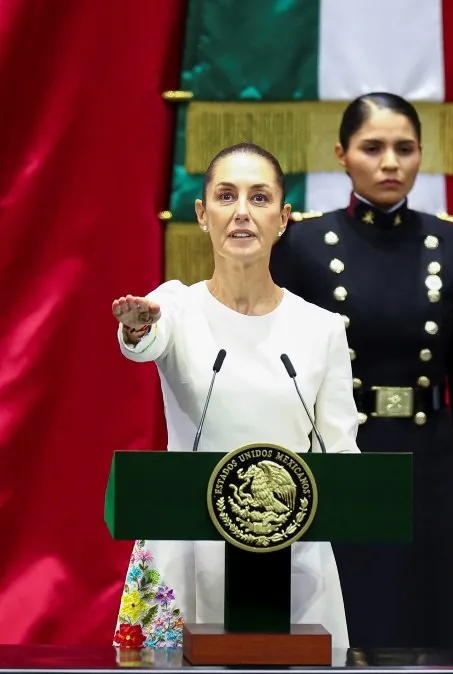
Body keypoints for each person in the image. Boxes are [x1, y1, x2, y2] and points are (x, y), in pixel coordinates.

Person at [269, 92, 453, 650]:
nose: (390, 163)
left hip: (431, 462)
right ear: (342, 154)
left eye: (405, 148)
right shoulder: (301, 243)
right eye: (372, 148)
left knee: (435, 630)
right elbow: (281, 377)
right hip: (341, 462)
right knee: (351, 626)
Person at [110, 143, 361, 650]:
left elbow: (342, 456)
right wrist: (136, 330)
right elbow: (143, 342)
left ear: (284, 218)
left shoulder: (322, 328)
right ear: (202, 214)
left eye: (260, 197)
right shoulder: (174, 306)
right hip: (186, 544)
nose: (242, 211)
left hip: (291, 556)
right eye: (226, 196)